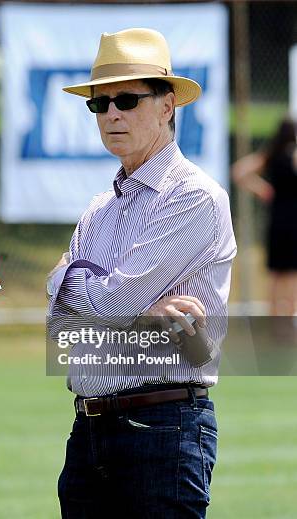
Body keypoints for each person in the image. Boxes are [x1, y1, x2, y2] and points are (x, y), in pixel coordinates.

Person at [47, 28, 236, 518]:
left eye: (128, 99)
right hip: (88, 429)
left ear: (167, 105)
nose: (112, 114)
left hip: (163, 425)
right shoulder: (98, 209)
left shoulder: (194, 196)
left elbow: (109, 305)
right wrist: (140, 311)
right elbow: (59, 329)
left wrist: (72, 282)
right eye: (100, 104)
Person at [232, 117, 297, 317]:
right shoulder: (293, 155)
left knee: (275, 275)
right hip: (294, 222)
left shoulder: (271, 154)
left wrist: (263, 190)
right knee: (293, 274)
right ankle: (291, 318)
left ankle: (274, 319)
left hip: (276, 222)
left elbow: (239, 172)